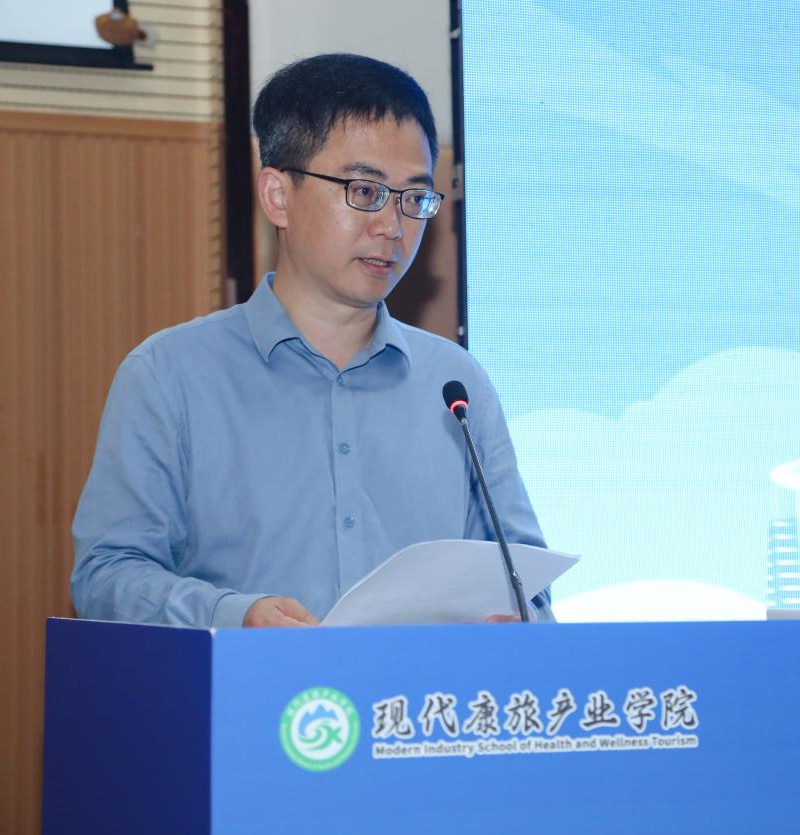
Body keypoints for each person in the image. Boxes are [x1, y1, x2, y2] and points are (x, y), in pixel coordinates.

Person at [71, 53, 550, 628]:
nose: (393, 227)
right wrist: (234, 615)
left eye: (413, 198)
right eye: (365, 191)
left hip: (419, 687)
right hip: (247, 683)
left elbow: (525, 582)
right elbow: (106, 575)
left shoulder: (454, 384)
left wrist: (519, 624)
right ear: (278, 195)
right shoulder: (169, 374)